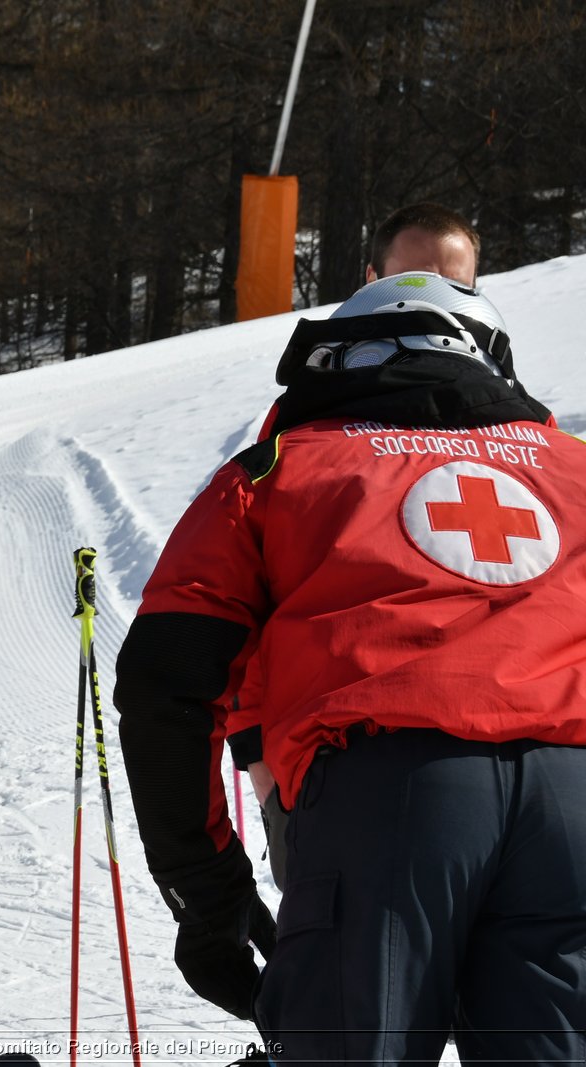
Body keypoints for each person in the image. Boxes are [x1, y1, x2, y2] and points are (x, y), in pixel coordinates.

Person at [114, 272, 586, 1062]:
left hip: (395, 797)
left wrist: (209, 894)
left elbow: (167, 681)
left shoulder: (278, 468)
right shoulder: (570, 464)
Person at [232, 201, 483, 886]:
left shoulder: (519, 423)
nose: (434, 302)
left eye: (455, 286)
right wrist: (258, 757)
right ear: (371, 280)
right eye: (413, 280)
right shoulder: (311, 422)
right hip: (361, 762)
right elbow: (259, 595)